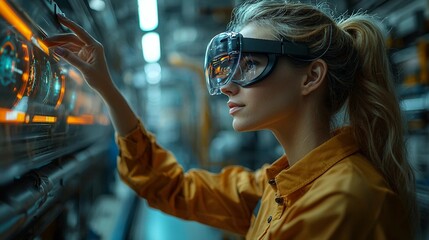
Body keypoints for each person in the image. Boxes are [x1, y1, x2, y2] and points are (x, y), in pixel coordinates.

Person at [45, 0, 418, 239]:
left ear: (311, 77)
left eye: (251, 64)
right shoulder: (277, 186)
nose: (227, 87)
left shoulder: (343, 201)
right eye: (228, 70)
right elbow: (170, 186)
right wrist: (108, 90)